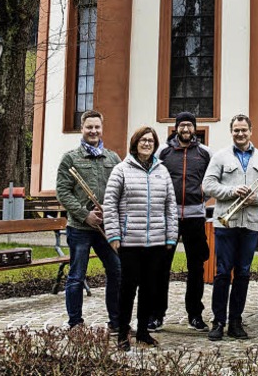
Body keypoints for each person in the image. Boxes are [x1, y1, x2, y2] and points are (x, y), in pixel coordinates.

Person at [202, 113, 258, 341]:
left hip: (251, 222)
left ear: (250, 131)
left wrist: (257, 198)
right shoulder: (220, 156)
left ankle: (236, 320)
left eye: (244, 130)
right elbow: (208, 184)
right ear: (231, 131)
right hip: (226, 221)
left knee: (243, 273)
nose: (240, 133)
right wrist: (231, 192)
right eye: (236, 130)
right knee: (223, 272)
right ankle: (218, 321)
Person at [103, 126, 178, 351]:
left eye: (150, 141)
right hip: (130, 241)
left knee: (149, 289)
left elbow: (170, 206)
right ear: (135, 143)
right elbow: (110, 204)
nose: (146, 144)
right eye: (142, 140)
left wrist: (171, 236)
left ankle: (143, 331)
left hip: (156, 241)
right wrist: (114, 234)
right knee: (127, 289)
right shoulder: (121, 170)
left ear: (155, 145)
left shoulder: (161, 171)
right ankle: (123, 333)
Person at [55, 109, 122, 330]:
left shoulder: (113, 158)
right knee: (76, 276)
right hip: (80, 228)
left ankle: (116, 320)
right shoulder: (70, 158)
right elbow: (63, 192)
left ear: (102, 128)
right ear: (82, 128)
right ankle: (76, 323)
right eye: (89, 127)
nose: (93, 131)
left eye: (97, 127)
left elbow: (121, 190)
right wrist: (86, 215)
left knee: (117, 271)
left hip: (106, 227)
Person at [149, 111, 212, 332]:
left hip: (195, 216)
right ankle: (156, 315)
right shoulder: (163, 152)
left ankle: (195, 314)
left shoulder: (204, 153)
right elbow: (154, 178)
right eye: (182, 125)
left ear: (195, 129)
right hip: (169, 217)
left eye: (190, 126)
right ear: (176, 128)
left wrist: (203, 197)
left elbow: (213, 180)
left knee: (196, 267)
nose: (186, 129)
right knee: (161, 266)